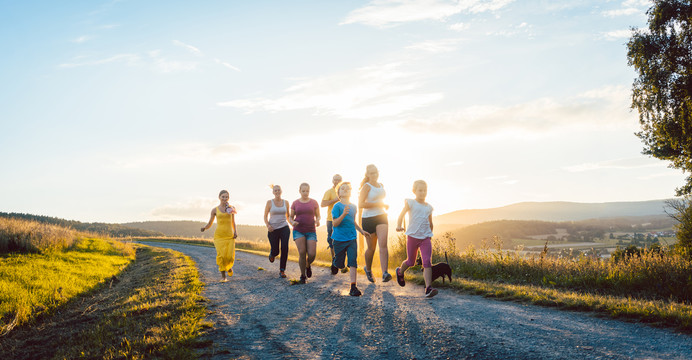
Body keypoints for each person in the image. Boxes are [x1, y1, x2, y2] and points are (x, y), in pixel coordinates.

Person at [395, 180, 438, 298]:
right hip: (412, 236)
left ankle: (428, 288)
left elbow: (431, 223)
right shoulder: (411, 203)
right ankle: (400, 271)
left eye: (425, 190)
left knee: (427, 261)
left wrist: (430, 235)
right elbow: (401, 214)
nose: (423, 192)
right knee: (411, 262)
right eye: (420, 190)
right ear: (414, 191)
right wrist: (399, 225)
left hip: (425, 238)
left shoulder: (429, 207)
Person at [330, 182, 370, 296]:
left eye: (348, 188)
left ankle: (353, 287)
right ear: (339, 193)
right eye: (343, 188)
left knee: (353, 261)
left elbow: (353, 221)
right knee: (340, 265)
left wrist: (361, 231)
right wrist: (343, 214)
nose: (346, 190)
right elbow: (335, 224)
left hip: (352, 238)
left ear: (350, 192)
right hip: (338, 239)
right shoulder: (337, 206)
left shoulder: (353, 206)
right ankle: (335, 263)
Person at [359, 164, 392, 282]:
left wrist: (383, 205)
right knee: (371, 248)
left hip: (381, 216)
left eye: (376, 172)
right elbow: (361, 204)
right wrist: (378, 204)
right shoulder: (366, 186)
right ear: (367, 175)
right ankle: (367, 269)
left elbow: (380, 201)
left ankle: (385, 273)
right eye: (371, 173)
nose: (374, 175)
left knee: (383, 244)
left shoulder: (381, 185)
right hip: (368, 218)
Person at [201, 189, 238, 282]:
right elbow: (210, 222)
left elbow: (233, 222)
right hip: (219, 236)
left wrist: (235, 231)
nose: (225, 198)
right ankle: (223, 277)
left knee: (229, 256)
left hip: (229, 235)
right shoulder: (215, 210)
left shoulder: (231, 208)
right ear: (219, 197)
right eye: (223, 197)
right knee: (221, 256)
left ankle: (229, 267)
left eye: (226, 197)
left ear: (228, 198)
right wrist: (205, 227)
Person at [290, 183, 321, 284]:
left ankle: (307, 264)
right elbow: (290, 217)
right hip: (298, 230)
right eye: (303, 191)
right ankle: (303, 275)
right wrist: (292, 222)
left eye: (307, 191)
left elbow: (318, 216)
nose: (305, 193)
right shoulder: (295, 203)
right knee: (302, 252)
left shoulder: (314, 202)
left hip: (311, 230)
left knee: (312, 254)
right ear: (300, 191)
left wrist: (317, 221)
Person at [264, 184, 291, 278]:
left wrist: (293, 223)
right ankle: (272, 254)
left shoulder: (286, 202)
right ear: (273, 192)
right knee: (276, 251)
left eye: (278, 190)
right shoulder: (269, 203)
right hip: (273, 229)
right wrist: (268, 225)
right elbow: (265, 216)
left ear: (281, 191)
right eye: (275, 190)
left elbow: (288, 216)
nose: (277, 192)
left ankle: (282, 270)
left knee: (285, 248)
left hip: (284, 227)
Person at [321, 174, 342, 260]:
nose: (337, 181)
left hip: (343, 219)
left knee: (342, 239)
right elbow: (322, 204)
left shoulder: (344, 190)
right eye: (335, 180)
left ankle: (340, 258)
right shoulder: (329, 192)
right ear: (332, 181)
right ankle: (334, 259)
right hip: (331, 220)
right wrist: (336, 199)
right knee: (331, 240)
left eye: (339, 180)